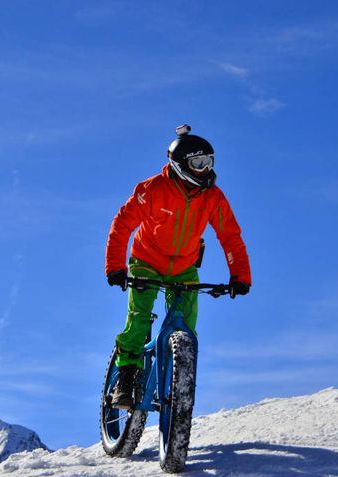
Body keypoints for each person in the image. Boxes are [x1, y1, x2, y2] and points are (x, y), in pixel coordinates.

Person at [105, 124, 251, 408]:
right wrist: (115, 267)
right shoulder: (153, 189)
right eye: (198, 163)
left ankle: (178, 379)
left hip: (184, 268)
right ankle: (125, 376)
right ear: (180, 164)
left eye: (209, 163)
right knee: (139, 316)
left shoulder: (213, 197)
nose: (205, 169)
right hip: (146, 261)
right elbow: (122, 225)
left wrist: (240, 276)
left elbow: (230, 236)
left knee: (187, 327)